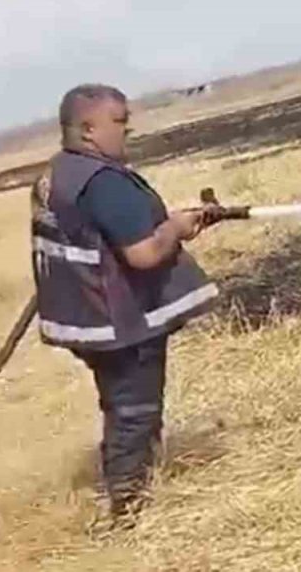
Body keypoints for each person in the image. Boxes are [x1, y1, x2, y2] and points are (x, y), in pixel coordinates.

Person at [28, 83, 219, 524]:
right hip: (117, 321)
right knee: (135, 410)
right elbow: (144, 253)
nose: (127, 129)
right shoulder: (102, 182)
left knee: (120, 405)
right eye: (119, 121)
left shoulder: (61, 171)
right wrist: (173, 229)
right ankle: (129, 510)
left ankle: (131, 486)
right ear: (89, 129)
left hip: (88, 318)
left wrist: (169, 226)